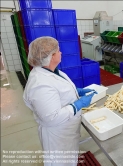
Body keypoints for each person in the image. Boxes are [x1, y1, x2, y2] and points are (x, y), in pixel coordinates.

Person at [23, 37, 97, 165]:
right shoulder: (40, 84)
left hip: (66, 130)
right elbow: (51, 117)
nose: (61, 53)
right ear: (51, 56)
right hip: (57, 136)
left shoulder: (52, 71)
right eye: (58, 51)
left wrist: (77, 91)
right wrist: (77, 105)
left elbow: (59, 90)